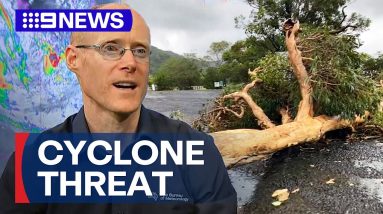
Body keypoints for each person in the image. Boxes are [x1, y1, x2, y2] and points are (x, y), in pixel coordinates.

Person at [0, 3, 237, 214]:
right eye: (111, 48)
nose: (130, 63)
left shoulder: (196, 152)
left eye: (140, 51)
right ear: (73, 59)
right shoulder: (30, 163)